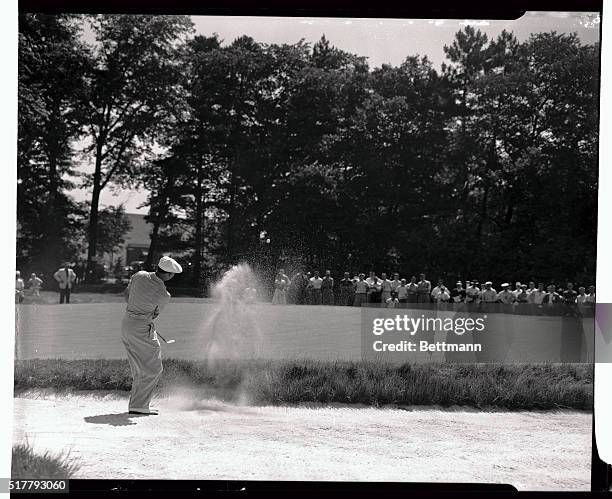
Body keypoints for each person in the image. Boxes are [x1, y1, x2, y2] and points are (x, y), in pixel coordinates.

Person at [122, 255, 182, 415]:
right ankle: (139, 406)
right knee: (153, 368)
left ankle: (138, 404)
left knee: (139, 368)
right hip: (142, 328)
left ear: (158, 267)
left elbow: (126, 295)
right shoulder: (164, 295)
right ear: (170, 275)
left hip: (127, 324)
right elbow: (154, 315)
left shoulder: (140, 275)